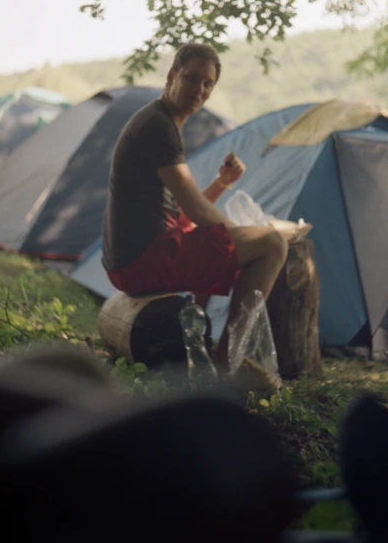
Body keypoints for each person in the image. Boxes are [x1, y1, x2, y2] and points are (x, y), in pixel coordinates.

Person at [102, 43, 288, 364]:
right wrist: (240, 237)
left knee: (215, 239)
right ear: (172, 76)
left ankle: (197, 351)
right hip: (141, 262)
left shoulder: (161, 122)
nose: (198, 89)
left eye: (207, 84)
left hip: (131, 259)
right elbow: (197, 211)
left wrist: (222, 184)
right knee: (272, 243)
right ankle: (226, 362)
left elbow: (183, 211)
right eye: (191, 79)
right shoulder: (158, 127)